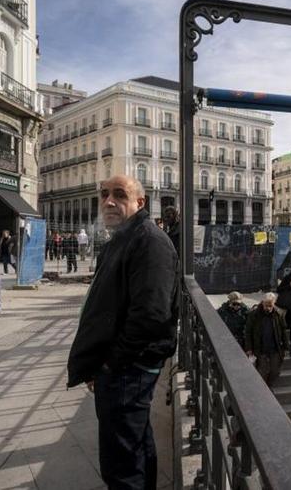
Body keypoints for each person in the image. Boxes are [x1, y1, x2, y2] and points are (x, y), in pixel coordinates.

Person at [67, 175, 179, 490]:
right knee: (135, 445)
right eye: (104, 194)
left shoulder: (149, 241)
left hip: (129, 369)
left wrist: (110, 364)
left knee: (121, 463)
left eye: (119, 194)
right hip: (126, 367)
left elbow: (151, 315)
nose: (109, 201)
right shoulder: (127, 237)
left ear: (139, 202)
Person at [244, 292, 289, 387]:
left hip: (275, 348)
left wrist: (286, 346)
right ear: (262, 303)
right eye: (266, 305)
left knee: (275, 371)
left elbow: (283, 331)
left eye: (270, 305)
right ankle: (264, 390)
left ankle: (269, 386)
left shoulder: (278, 314)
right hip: (260, 348)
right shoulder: (254, 314)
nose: (268, 308)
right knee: (262, 371)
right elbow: (248, 332)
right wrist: (249, 348)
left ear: (274, 304)